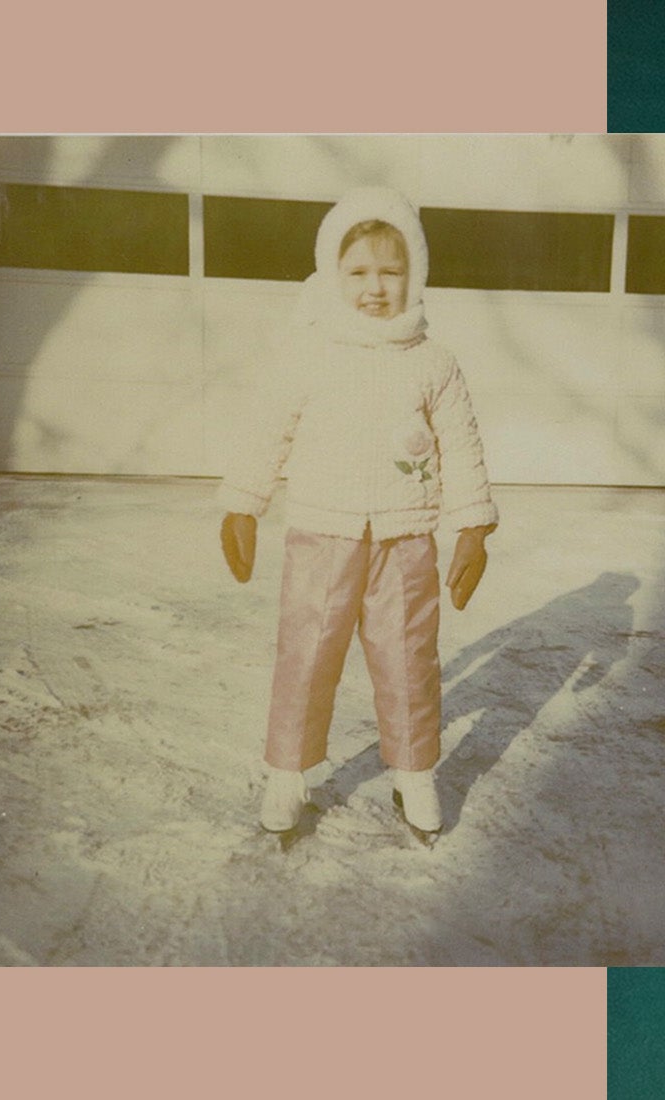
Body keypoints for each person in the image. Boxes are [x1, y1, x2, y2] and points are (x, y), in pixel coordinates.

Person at [216, 186, 498, 840]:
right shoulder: (308, 352)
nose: (376, 287)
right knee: (307, 655)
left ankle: (415, 772)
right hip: (323, 529)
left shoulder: (433, 362)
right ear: (332, 275)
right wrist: (242, 504)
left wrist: (474, 525)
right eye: (359, 273)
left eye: (391, 272)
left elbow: (462, 444)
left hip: (405, 538)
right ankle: (289, 773)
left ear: (415, 276)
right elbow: (268, 429)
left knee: (407, 659)